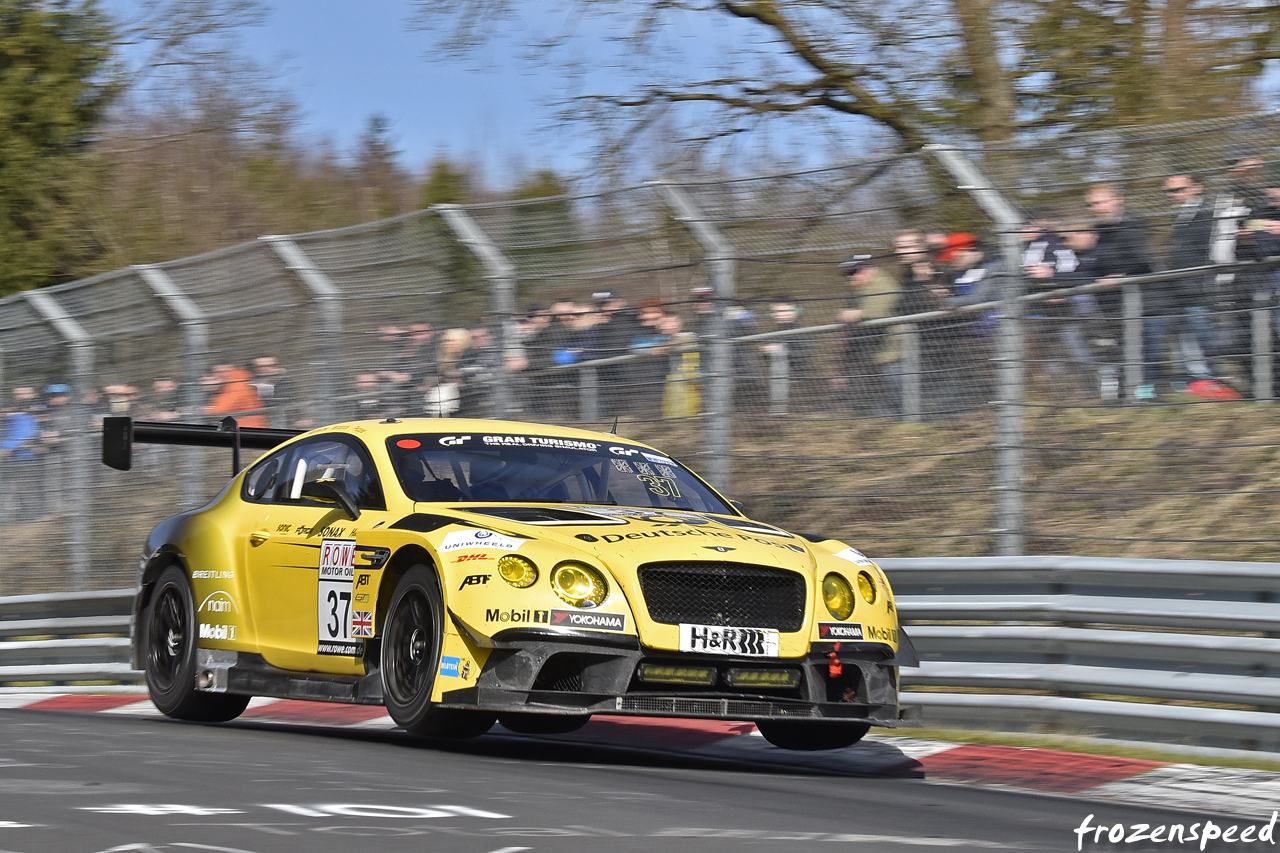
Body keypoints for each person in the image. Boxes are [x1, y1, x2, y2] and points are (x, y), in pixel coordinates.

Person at [1161, 172, 1228, 396]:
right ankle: (1197, 382)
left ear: (1196, 188)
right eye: (1169, 191)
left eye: (1178, 189)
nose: (1173, 195)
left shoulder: (1207, 214)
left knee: (1203, 336)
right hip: (1180, 291)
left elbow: (1212, 253)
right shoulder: (1181, 216)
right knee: (1188, 339)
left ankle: (1210, 381)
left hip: (1199, 290)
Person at [1086, 183, 1154, 400]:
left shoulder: (1132, 224)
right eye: (1092, 204)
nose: (1096, 208)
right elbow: (1096, 266)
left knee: (1144, 353)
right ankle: (1131, 399)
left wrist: (1121, 275)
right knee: (1124, 352)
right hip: (1113, 305)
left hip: (1142, 301)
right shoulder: (1101, 231)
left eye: (1100, 202)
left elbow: (1142, 259)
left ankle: (1145, 399)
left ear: (1118, 199)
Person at [834, 255, 903, 417]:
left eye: (855, 271)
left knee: (899, 399)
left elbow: (877, 313)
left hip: (892, 355)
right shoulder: (862, 291)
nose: (851, 277)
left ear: (870, 269)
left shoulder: (881, 284)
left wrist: (857, 314)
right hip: (876, 357)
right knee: (882, 403)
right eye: (848, 274)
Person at [202, 364, 267, 427]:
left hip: (246, 427)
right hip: (238, 426)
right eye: (217, 372)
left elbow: (221, 409)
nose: (221, 375)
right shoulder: (227, 385)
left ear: (232, 371)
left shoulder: (237, 385)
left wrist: (201, 410)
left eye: (225, 371)